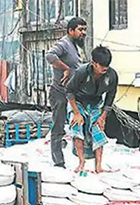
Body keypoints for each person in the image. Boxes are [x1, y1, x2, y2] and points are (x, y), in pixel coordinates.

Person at [66, 46, 118, 174]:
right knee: (77, 128)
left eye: (107, 65)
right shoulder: (81, 72)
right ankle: (81, 162)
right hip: (77, 102)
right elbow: (69, 91)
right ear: (94, 63)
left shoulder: (111, 75)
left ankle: (98, 166)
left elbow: (110, 97)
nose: (105, 68)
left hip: (95, 103)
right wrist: (77, 113)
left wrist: (103, 117)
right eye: (102, 65)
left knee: (98, 130)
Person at [45, 17, 87, 168]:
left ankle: (81, 158)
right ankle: (58, 161)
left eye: (84, 30)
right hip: (59, 93)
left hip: (73, 94)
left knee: (79, 125)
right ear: (70, 31)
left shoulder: (76, 46)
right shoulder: (64, 43)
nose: (83, 33)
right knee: (58, 126)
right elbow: (50, 56)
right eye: (80, 30)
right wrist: (65, 69)